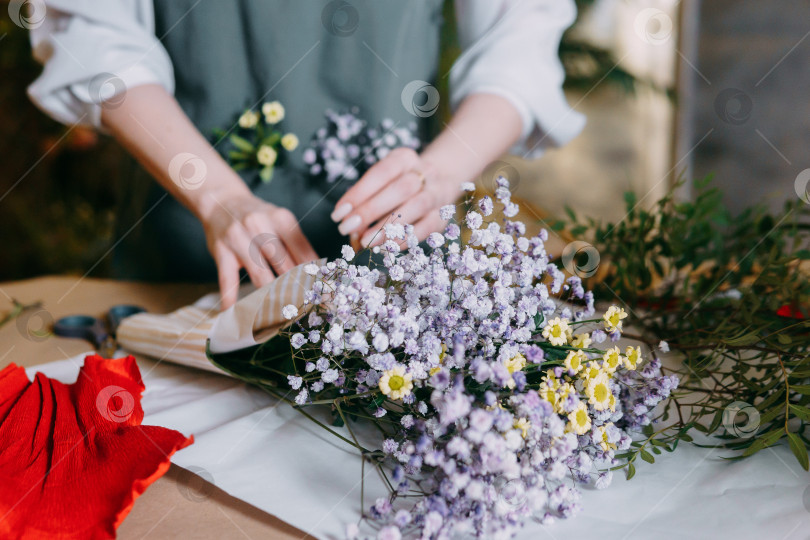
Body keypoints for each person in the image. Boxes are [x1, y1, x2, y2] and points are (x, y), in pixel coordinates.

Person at [27, 0, 585, 309]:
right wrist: (219, 197)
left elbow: (519, 38)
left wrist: (443, 172)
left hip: (401, 272)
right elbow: (93, 38)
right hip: (183, 268)